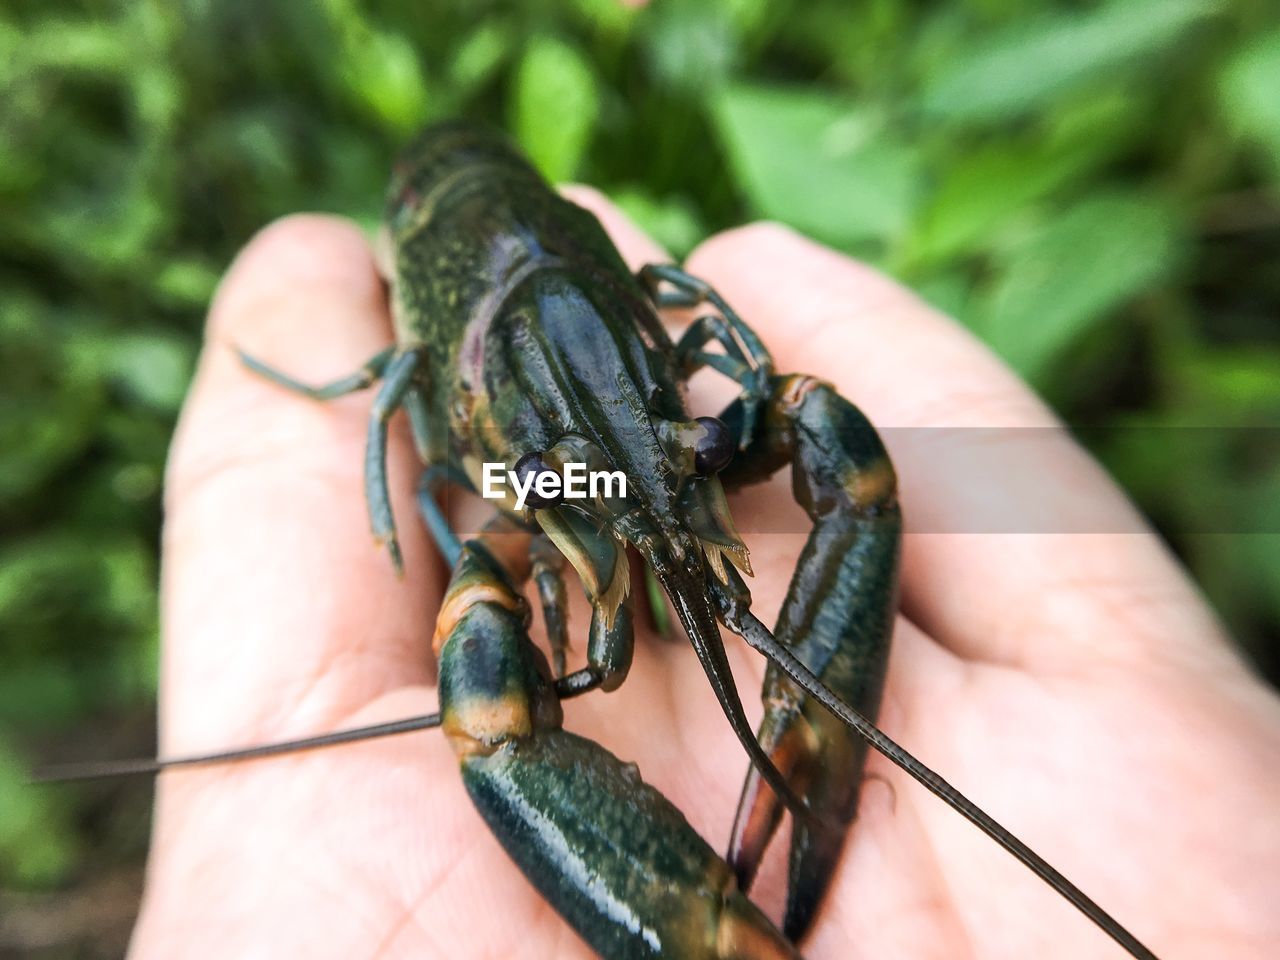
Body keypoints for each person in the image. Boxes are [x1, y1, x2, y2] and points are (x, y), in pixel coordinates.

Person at [129, 192, 1280, 958]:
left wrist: (656, 472)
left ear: (668, 334)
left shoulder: (676, 428)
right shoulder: (527, 467)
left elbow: (826, 446)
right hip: (512, 357)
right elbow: (521, 510)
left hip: (622, 433)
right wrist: (573, 495)